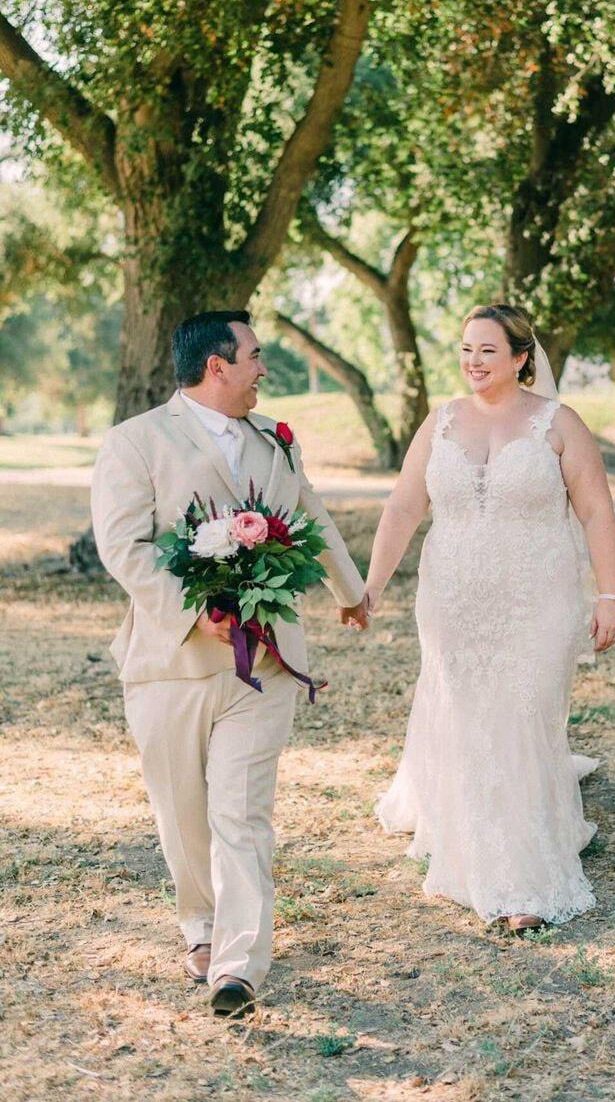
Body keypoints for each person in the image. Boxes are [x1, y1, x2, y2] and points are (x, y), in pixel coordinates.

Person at [91, 310, 368, 1016]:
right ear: (217, 365)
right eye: (253, 356)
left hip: (265, 661)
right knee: (184, 811)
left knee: (240, 810)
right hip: (170, 663)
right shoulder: (135, 441)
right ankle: (202, 927)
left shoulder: (275, 439)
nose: (261, 370)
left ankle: (238, 964)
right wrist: (196, 613)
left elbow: (310, 513)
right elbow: (124, 547)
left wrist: (351, 590)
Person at [365, 303, 615, 930]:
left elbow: (595, 513)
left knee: (521, 713)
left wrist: (610, 595)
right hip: (452, 598)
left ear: (520, 358)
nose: (473, 362)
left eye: (487, 350)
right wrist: (370, 585)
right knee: (467, 713)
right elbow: (403, 508)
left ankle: (520, 880)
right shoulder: (440, 423)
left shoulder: (559, 424)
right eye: (465, 349)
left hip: (538, 597)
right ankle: (466, 835)